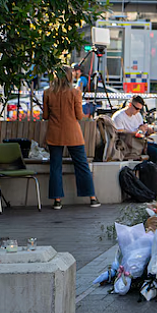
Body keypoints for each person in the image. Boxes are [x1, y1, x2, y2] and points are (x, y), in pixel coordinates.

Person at [43, 65, 100, 209]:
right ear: (70, 77)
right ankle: (92, 198)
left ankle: (57, 200)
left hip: (54, 133)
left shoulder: (47, 92)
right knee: (81, 164)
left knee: (55, 166)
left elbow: (45, 116)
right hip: (73, 133)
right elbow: (79, 116)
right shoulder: (75, 92)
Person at [113, 95, 157, 184]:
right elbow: (120, 133)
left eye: (140, 109)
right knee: (155, 153)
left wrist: (149, 131)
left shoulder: (138, 115)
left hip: (141, 142)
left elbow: (141, 132)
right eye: (136, 108)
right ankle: (153, 181)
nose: (138, 111)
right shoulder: (119, 116)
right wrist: (138, 131)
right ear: (129, 105)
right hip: (130, 145)